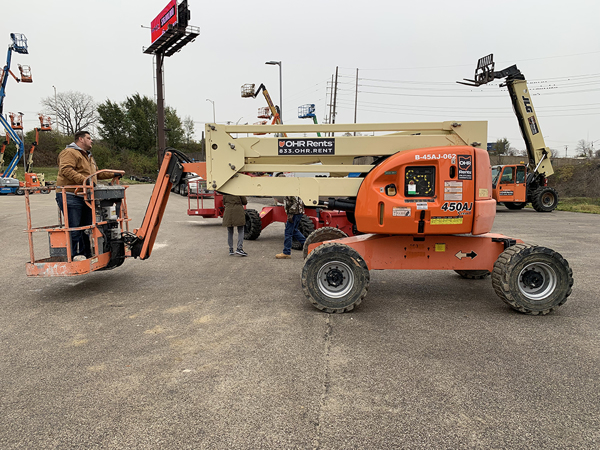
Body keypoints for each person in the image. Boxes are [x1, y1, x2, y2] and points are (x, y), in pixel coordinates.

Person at [56, 130, 120, 261]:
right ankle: (74, 256)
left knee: (87, 227)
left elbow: (96, 174)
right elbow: (66, 170)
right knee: (74, 227)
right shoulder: (70, 153)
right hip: (70, 195)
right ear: (81, 139)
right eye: (89, 138)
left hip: (85, 195)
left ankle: (86, 255)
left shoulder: (88, 156)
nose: (91, 141)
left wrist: (113, 174)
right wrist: (85, 181)